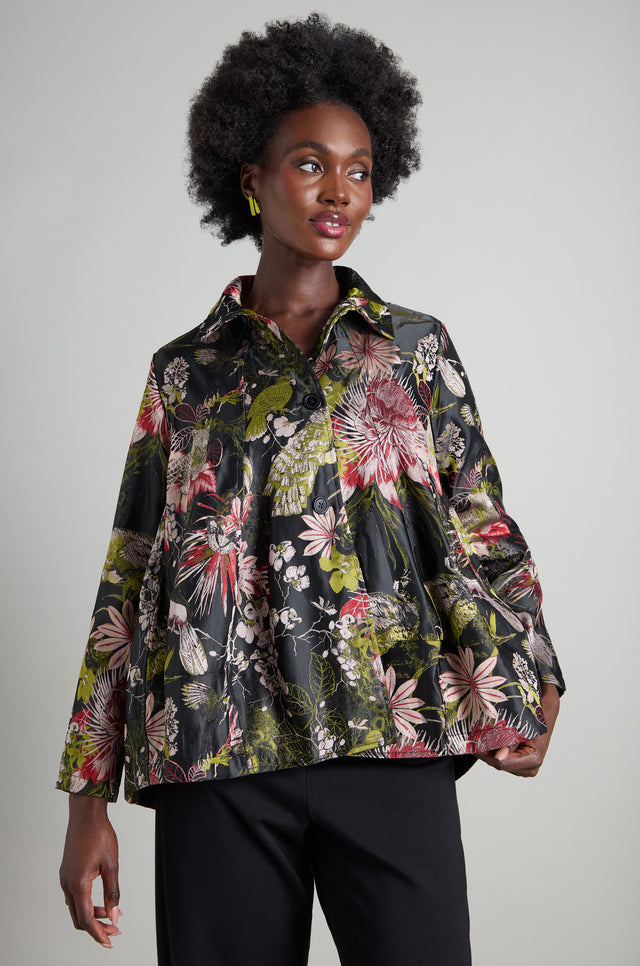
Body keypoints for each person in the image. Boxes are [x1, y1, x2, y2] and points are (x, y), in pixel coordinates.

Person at [57, 13, 564, 965]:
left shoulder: (413, 350)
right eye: (309, 164)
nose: (340, 192)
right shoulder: (184, 374)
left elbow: (482, 523)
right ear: (250, 178)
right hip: (216, 754)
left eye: (360, 170)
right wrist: (89, 799)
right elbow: (128, 576)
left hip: (391, 739)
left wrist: (535, 675)